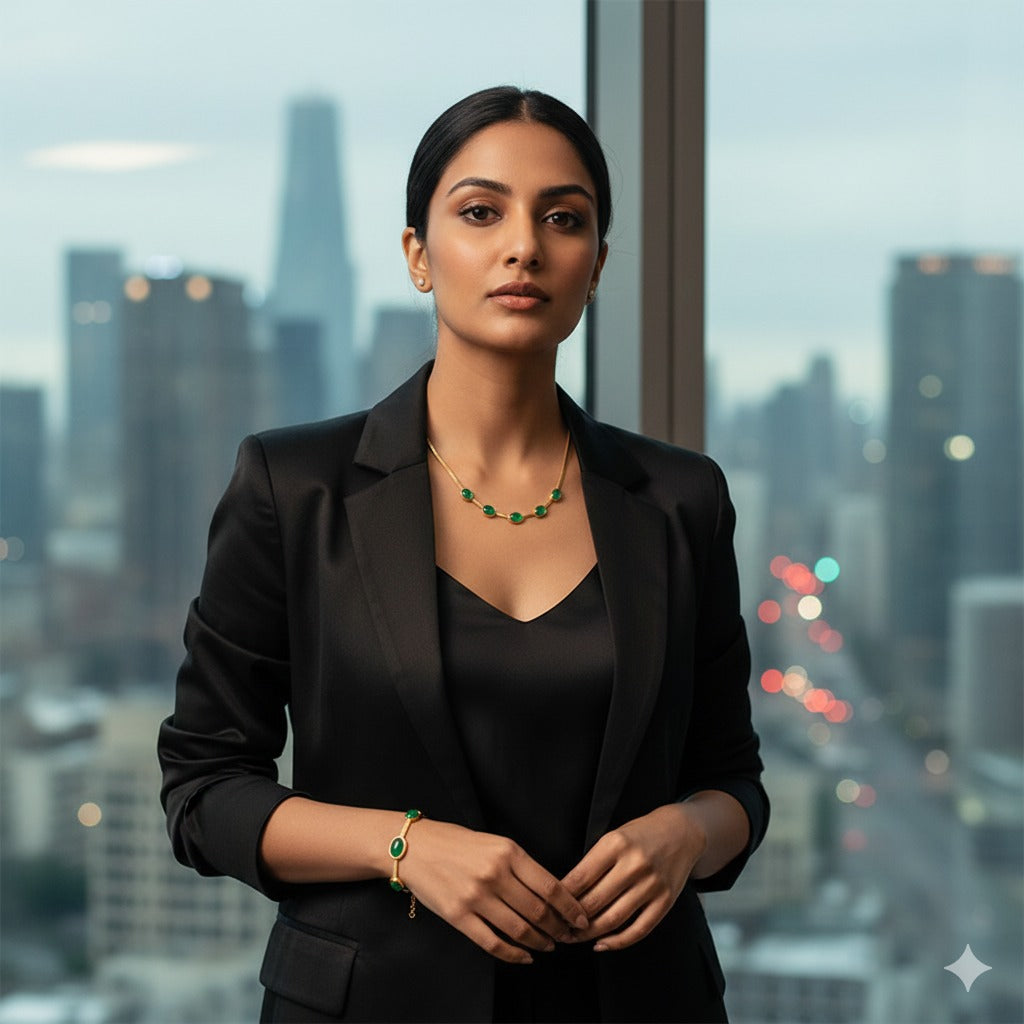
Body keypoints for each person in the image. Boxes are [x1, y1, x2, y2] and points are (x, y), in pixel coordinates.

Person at [159, 85, 769, 1024]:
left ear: (596, 264)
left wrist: (687, 832)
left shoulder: (682, 500)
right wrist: (404, 847)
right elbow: (202, 793)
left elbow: (733, 782)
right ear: (418, 254)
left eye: (562, 219)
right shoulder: (294, 486)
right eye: (480, 212)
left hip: (641, 1002)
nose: (523, 245)